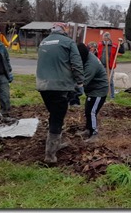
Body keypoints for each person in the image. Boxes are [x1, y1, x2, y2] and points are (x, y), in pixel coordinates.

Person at [36, 22, 84, 164]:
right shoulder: (68, 42)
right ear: (64, 29)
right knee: (57, 117)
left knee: (54, 114)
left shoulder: (44, 42)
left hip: (43, 86)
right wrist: (80, 81)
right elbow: (76, 63)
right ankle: (50, 155)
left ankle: (57, 143)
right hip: (60, 86)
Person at [75, 42, 109, 143]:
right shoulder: (87, 57)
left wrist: (70, 90)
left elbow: (83, 82)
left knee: (92, 112)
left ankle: (95, 134)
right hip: (92, 90)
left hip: (99, 91)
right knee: (87, 111)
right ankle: (88, 129)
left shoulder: (91, 64)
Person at [97, 32, 124, 99]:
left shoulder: (114, 46)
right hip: (100, 66)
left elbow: (122, 51)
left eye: (107, 39)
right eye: (104, 39)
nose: (105, 40)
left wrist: (121, 44)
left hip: (109, 67)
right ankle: (100, 95)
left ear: (109, 39)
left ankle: (112, 96)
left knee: (110, 81)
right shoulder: (100, 44)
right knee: (100, 80)